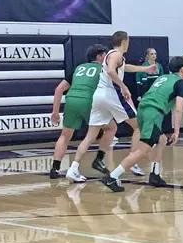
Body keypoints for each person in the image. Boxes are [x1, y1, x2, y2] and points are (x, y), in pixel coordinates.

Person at [66, 31, 157, 183]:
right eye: (128, 41)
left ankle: (75, 168)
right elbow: (110, 71)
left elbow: (123, 67)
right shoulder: (117, 54)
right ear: (124, 42)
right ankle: (132, 162)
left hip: (99, 96)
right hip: (112, 94)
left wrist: (144, 69)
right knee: (139, 126)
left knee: (94, 133)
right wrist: (123, 87)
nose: (128, 44)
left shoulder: (111, 55)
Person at [101, 56, 183, 192]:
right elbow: (178, 108)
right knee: (143, 149)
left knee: (161, 139)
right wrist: (177, 131)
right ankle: (112, 176)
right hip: (153, 113)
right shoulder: (181, 83)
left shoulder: (162, 78)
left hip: (143, 110)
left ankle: (155, 174)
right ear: (182, 69)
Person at [49, 44, 108, 179]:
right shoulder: (103, 69)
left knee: (65, 136)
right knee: (110, 129)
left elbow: (59, 89)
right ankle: (99, 160)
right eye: (105, 55)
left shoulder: (78, 68)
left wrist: (55, 112)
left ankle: (55, 168)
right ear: (99, 57)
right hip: (88, 101)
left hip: (71, 100)